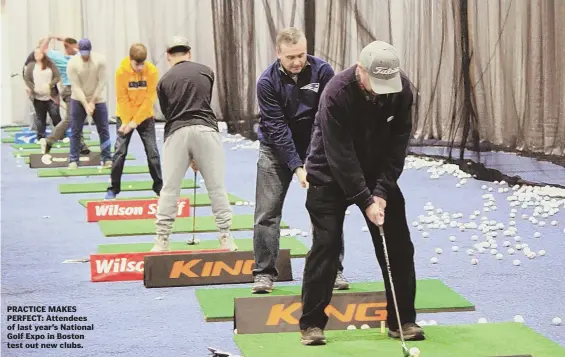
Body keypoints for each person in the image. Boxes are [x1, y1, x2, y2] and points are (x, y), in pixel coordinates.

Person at [298, 41, 424, 345]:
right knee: (326, 246)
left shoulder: (402, 90)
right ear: (360, 70)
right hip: (328, 174)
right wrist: (366, 200)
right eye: (376, 83)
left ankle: (402, 319)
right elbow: (341, 156)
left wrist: (381, 191)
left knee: (398, 245)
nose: (383, 90)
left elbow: (397, 147)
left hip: (377, 172)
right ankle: (312, 324)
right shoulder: (336, 94)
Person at [251, 27, 349, 294]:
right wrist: (296, 166)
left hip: (316, 146)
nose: (297, 62)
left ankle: (333, 270)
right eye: (290, 57)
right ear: (278, 54)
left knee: (327, 210)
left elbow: (326, 117)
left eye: (301, 55)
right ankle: (264, 274)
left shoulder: (323, 72)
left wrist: (313, 158)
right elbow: (277, 127)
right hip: (274, 149)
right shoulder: (267, 82)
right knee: (267, 213)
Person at [150, 36, 235, 252]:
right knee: (216, 187)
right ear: (189, 52)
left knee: (169, 189)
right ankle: (226, 238)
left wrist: (189, 155)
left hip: (177, 133)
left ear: (169, 55)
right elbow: (203, 100)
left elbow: (169, 114)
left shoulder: (164, 81)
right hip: (206, 130)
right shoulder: (206, 71)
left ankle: (162, 241)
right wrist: (197, 156)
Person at [105, 43, 162, 199]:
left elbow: (149, 99)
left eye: (142, 63)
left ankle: (159, 187)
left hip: (145, 117)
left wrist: (135, 122)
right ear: (130, 59)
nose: (140, 67)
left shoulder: (152, 71)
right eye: (137, 64)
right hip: (125, 116)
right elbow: (122, 99)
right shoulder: (121, 72)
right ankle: (113, 188)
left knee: (152, 153)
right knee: (119, 152)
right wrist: (125, 121)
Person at [38, 36, 90, 155]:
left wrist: (60, 39)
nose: (77, 48)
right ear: (71, 47)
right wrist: (50, 37)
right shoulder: (59, 56)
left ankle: (81, 144)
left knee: (78, 118)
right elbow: (42, 50)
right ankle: (49, 141)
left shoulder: (76, 56)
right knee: (70, 119)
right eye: (75, 46)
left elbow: (83, 51)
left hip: (79, 90)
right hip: (70, 90)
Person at [66, 38, 112, 169]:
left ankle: (107, 158)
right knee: (75, 130)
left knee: (104, 130)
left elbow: (102, 82)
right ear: (79, 51)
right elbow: (76, 86)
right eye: (83, 53)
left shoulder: (100, 61)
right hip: (78, 99)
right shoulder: (72, 63)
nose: (85, 56)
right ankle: (73, 159)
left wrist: (92, 101)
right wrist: (86, 105)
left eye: (87, 53)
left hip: (97, 99)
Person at [23, 48, 62, 140]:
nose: (36, 55)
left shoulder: (50, 64)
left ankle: (60, 135)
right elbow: (27, 79)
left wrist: (50, 85)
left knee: (55, 115)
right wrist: (33, 88)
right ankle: (40, 136)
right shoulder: (31, 66)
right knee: (40, 118)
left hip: (51, 96)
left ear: (43, 54)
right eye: (35, 53)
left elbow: (58, 77)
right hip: (37, 97)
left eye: (39, 53)